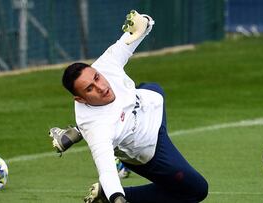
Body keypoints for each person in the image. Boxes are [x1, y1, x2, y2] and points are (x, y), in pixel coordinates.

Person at [50, 10, 208, 203]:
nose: (101, 87)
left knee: (153, 87)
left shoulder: (106, 63)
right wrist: (117, 197)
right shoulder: (98, 129)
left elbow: (139, 31)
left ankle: (76, 131)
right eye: (90, 89)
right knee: (197, 190)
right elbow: (107, 171)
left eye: (97, 77)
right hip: (150, 148)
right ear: (80, 99)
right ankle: (112, 197)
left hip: (149, 104)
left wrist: (144, 21)